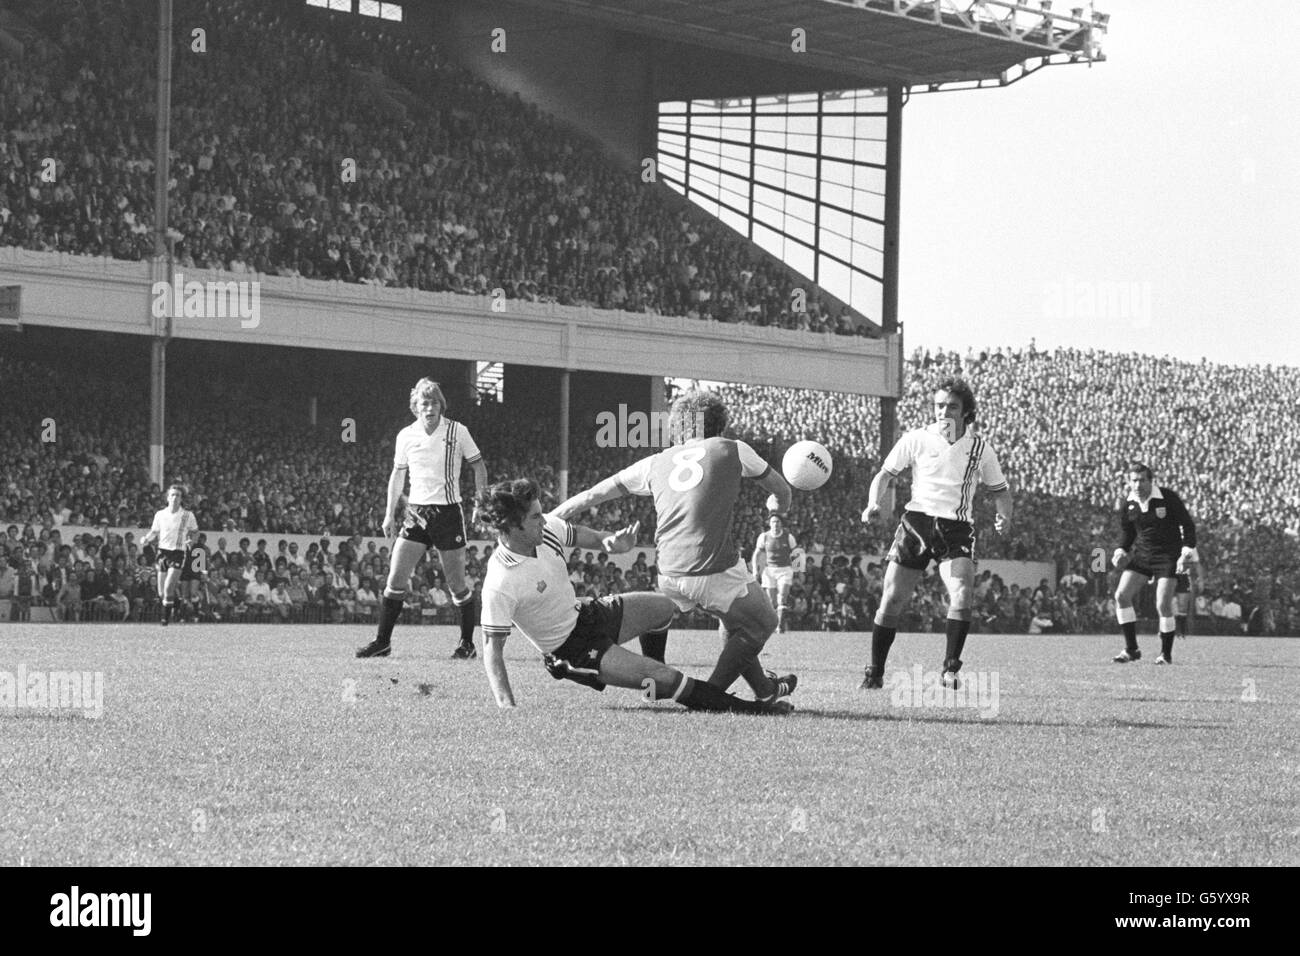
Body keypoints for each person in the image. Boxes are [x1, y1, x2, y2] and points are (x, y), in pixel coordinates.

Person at [554, 389, 796, 704]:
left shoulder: (655, 461)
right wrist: (778, 506)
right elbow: (780, 489)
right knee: (764, 622)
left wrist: (552, 518)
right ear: (719, 425)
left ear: (679, 427)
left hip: (668, 572)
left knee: (733, 621)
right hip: (712, 567)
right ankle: (708, 696)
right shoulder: (733, 448)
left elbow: (591, 495)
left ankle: (763, 688)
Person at [477, 479, 790, 714]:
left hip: (588, 614)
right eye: (535, 517)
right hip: (573, 650)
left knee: (664, 608)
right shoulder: (501, 580)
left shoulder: (546, 532)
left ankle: (653, 688)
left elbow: (589, 536)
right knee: (667, 678)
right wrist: (507, 708)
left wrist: (612, 542)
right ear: (512, 527)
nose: (544, 520)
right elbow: (492, 650)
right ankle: (753, 709)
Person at [858, 378, 1013, 690]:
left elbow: (1001, 491)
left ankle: (950, 669)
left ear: (966, 411)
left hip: (956, 528)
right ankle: (874, 672)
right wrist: (873, 503)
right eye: (939, 405)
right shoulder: (916, 438)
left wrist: (1004, 516)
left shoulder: (980, 449)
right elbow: (885, 474)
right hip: (917, 523)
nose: (944, 411)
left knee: (962, 592)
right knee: (892, 600)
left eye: (952, 406)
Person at [356, 378, 488, 659]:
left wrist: (480, 502)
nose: (430, 408)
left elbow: (478, 466)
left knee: (457, 584)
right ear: (416, 407)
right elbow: (397, 475)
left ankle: (467, 644)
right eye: (424, 403)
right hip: (416, 513)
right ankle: (383, 642)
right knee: (395, 578)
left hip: (448, 512)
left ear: (442, 405)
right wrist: (389, 513)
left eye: (434, 402)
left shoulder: (456, 431)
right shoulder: (406, 435)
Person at [1111, 463, 1199, 664]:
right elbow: (1128, 532)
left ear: (1151, 481)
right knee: (1121, 596)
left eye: (1142, 480)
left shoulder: (1167, 498)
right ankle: (1131, 649)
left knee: (1162, 604)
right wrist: (1120, 550)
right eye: (1134, 480)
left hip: (1168, 556)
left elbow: (1187, 525)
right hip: (1142, 555)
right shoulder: (1130, 504)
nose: (1138, 485)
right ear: (1129, 482)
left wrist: (1186, 551)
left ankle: (1165, 655)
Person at [140, 484, 199, 626]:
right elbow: (154, 531)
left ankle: (165, 621)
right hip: (162, 553)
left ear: (181, 499)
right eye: (172, 495)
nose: (175, 497)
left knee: (168, 587)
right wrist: (146, 538)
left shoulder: (187, 515)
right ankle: (178, 605)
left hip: (178, 553)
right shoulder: (160, 514)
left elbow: (195, 531)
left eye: (178, 495)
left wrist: (192, 540)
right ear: (167, 497)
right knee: (162, 593)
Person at [753, 513, 801, 633]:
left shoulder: (788, 537)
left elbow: (797, 553)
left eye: (778, 522)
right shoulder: (764, 537)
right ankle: (772, 625)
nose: (775, 524)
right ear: (769, 524)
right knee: (771, 600)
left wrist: (798, 571)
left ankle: (780, 626)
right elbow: (756, 555)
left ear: (781, 523)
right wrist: (755, 569)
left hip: (785, 570)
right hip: (769, 570)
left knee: (782, 597)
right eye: (773, 522)